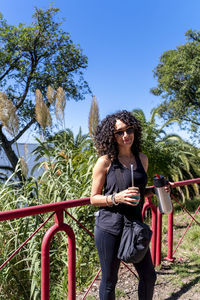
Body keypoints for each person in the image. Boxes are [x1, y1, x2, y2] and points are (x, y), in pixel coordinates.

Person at [90, 110, 168, 300]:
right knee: (109, 281)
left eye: (129, 130)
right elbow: (93, 198)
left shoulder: (142, 159)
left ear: (135, 131)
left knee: (149, 276)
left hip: (134, 227)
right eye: (119, 132)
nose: (126, 135)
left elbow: (139, 192)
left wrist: (158, 190)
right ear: (112, 136)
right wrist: (117, 197)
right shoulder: (105, 162)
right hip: (109, 228)